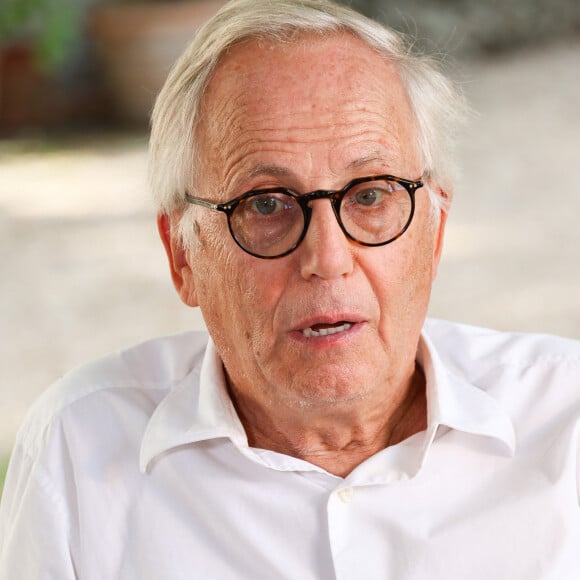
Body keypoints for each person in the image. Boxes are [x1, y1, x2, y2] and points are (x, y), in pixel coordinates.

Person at [1, 0, 579, 577]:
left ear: (435, 230)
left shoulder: (565, 424)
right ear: (183, 255)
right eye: (266, 204)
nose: (326, 259)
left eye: (370, 194)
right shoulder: (76, 451)